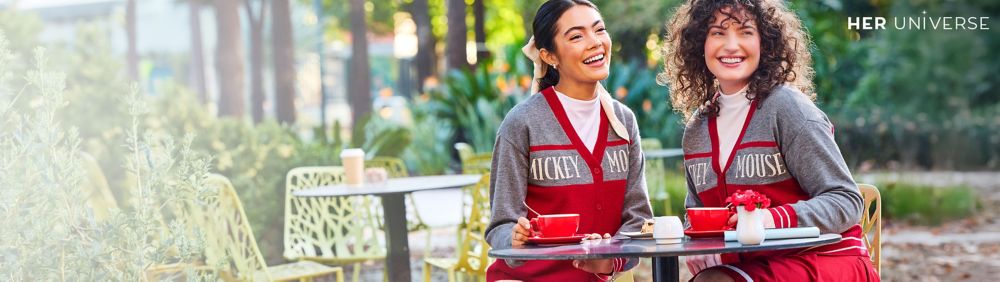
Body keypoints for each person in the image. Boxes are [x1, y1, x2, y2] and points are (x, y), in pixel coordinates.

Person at [659, 0, 880, 281]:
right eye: (718, 32)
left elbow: (846, 201)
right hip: (749, 267)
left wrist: (770, 219)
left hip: (823, 259)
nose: (731, 45)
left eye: (745, 32)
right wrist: (700, 242)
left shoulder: (787, 108)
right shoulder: (697, 130)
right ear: (699, 43)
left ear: (766, 43)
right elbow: (697, 211)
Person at [484, 0, 654, 280]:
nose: (595, 42)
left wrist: (611, 261)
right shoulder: (522, 123)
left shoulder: (623, 122)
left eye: (599, 30)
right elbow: (501, 225)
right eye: (576, 36)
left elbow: (639, 220)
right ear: (549, 56)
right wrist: (514, 238)